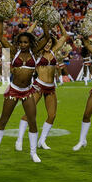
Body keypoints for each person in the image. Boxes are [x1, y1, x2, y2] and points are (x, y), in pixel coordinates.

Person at [0, 20, 50, 163]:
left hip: (27, 91)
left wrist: (45, 19)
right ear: (18, 43)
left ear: (30, 43)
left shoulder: (34, 53)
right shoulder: (13, 51)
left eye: (26, 42)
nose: (23, 44)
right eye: (21, 42)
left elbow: (47, 37)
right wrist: (0, 18)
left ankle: (33, 153)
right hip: (14, 90)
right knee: (3, 121)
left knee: (33, 122)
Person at [15, 21, 70, 151]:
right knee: (29, 114)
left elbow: (65, 36)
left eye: (50, 43)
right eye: (46, 42)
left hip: (51, 87)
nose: (48, 45)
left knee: (52, 115)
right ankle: (19, 140)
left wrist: (59, 22)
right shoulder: (37, 53)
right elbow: (27, 34)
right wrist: (35, 22)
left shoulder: (54, 51)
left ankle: (42, 141)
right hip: (38, 86)